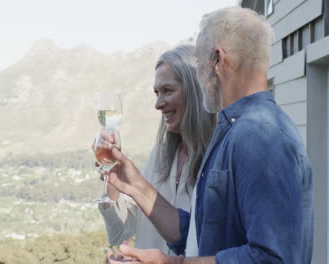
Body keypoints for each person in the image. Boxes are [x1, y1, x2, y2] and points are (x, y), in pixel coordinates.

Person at [105, 6, 314, 264]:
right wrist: (135, 185)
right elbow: (197, 237)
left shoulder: (261, 136)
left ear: (217, 59)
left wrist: (173, 263)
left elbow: (271, 258)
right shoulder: (234, 131)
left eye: (200, 60)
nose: (198, 73)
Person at [98, 45, 216, 255]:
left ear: (195, 91)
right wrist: (113, 182)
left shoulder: (219, 160)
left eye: (167, 91)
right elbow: (120, 233)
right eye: (156, 92)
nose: (158, 104)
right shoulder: (161, 155)